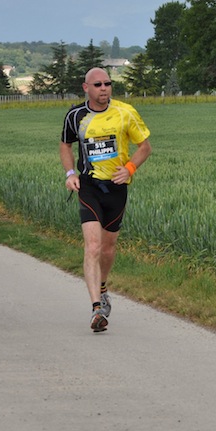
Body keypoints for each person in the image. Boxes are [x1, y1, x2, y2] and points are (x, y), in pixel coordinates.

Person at [60, 67, 152, 332]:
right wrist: (69, 174)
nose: (104, 88)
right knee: (92, 246)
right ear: (85, 87)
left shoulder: (126, 112)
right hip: (88, 186)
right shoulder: (75, 115)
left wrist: (130, 169)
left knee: (108, 248)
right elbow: (65, 144)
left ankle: (102, 285)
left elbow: (145, 147)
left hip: (116, 188)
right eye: (98, 84)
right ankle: (96, 308)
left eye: (108, 84)